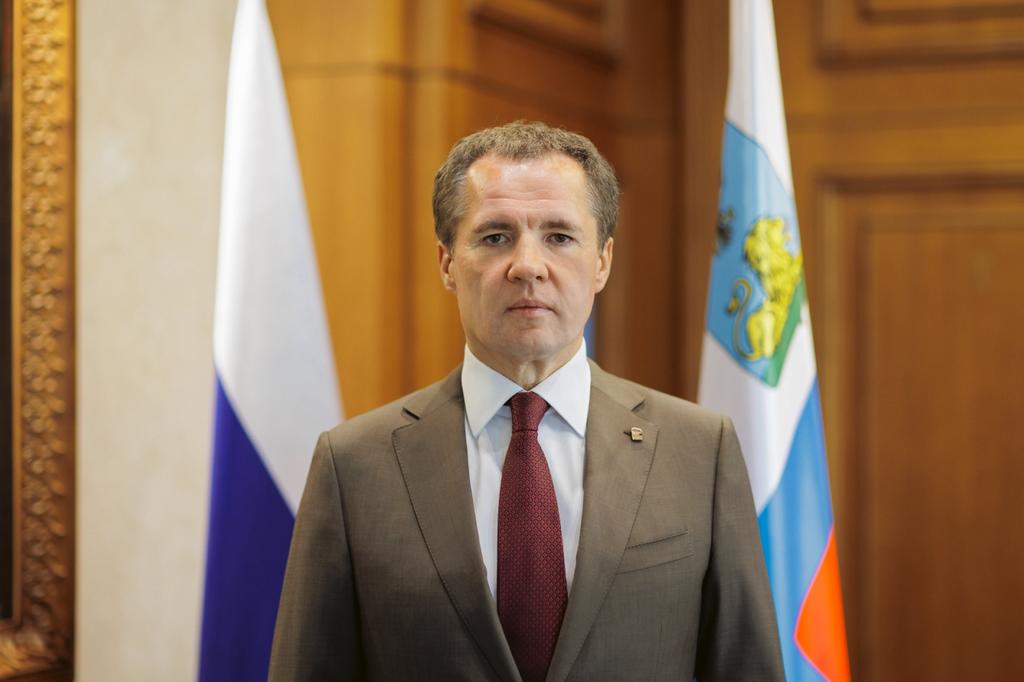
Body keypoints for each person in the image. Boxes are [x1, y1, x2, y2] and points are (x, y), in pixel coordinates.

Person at [268, 121, 784, 681]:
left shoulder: (698, 452)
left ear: (603, 261)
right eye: (495, 237)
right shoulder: (353, 466)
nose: (528, 266)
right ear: (446, 263)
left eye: (559, 236)